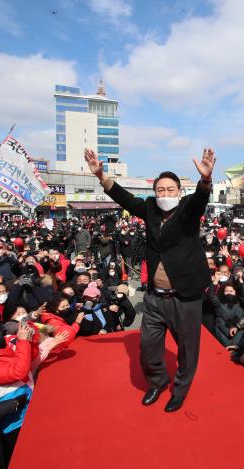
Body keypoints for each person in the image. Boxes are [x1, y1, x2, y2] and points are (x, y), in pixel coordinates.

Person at [84, 147, 215, 412]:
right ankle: (158, 380)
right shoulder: (150, 210)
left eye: (170, 190)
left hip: (185, 296)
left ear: (179, 191)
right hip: (155, 297)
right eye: (161, 190)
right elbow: (125, 198)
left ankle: (179, 390)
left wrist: (205, 181)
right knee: (148, 345)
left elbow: (200, 199)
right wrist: (101, 176)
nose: (165, 195)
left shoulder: (188, 209)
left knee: (188, 350)